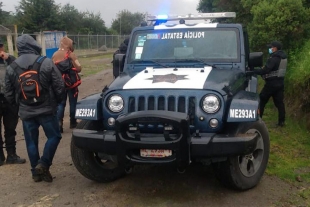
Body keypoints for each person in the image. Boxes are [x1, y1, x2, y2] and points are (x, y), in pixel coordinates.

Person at [5, 34, 65, 182]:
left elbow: (8, 93)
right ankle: (43, 164)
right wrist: (57, 103)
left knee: (31, 142)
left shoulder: (11, 67)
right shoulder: (45, 62)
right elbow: (59, 86)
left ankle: (35, 172)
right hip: (46, 109)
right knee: (54, 136)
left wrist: (18, 107)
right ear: (33, 45)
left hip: (26, 111)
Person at [0, 39, 26, 166]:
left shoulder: (9, 60)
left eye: (0, 47)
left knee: (10, 129)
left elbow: (19, 68)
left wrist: (9, 57)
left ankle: (11, 155)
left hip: (9, 100)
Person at [253, 41, 287, 127]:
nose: (270, 49)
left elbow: (266, 70)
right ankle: (281, 122)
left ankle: (258, 120)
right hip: (280, 83)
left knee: (262, 100)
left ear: (275, 48)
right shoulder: (282, 57)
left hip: (271, 84)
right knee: (279, 103)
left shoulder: (274, 58)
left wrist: (253, 71)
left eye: (271, 47)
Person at [52, 36, 82, 133]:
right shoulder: (71, 54)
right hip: (71, 84)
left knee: (60, 104)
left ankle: (59, 124)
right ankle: (73, 122)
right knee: (73, 102)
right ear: (69, 44)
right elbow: (79, 68)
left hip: (59, 83)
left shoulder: (54, 55)